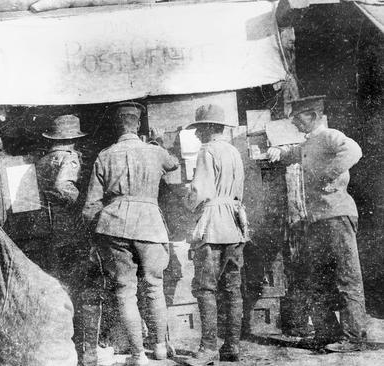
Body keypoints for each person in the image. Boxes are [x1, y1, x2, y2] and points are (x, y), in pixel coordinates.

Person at [267, 95, 366, 353]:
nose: (294, 122)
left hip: (337, 215)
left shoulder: (330, 135)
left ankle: (353, 338)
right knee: (318, 279)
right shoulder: (311, 142)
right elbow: (296, 152)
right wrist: (280, 151)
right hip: (319, 219)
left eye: (297, 118)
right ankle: (326, 334)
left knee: (346, 277)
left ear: (311, 116)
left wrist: (329, 173)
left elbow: (354, 151)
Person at [82, 101, 179, 366]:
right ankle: (160, 347)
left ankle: (138, 355)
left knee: (125, 291)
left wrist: (95, 228)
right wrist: (158, 142)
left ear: (117, 125)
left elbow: (91, 205)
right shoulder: (155, 152)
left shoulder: (104, 155)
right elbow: (173, 164)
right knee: (154, 287)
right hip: (149, 223)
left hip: (113, 225)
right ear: (138, 124)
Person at [185, 104, 248, 365]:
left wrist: (187, 200)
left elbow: (200, 192)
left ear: (210, 128)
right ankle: (232, 346)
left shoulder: (206, 151)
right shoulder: (234, 151)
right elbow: (239, 191)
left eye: (200, 128)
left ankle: (208, 349)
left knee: (205, 288)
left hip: (212, 226)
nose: (198, 134)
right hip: (234, 224)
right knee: (233, 288)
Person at [36, 114, 101, 366]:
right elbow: (65, 187)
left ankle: (63, 349)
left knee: (59, 288)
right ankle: (87, 354)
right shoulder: (70, 158)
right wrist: (83, 201)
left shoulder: (43, 160)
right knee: (83, 288)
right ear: (73, 139)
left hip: (47, 231)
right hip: (70, 232)